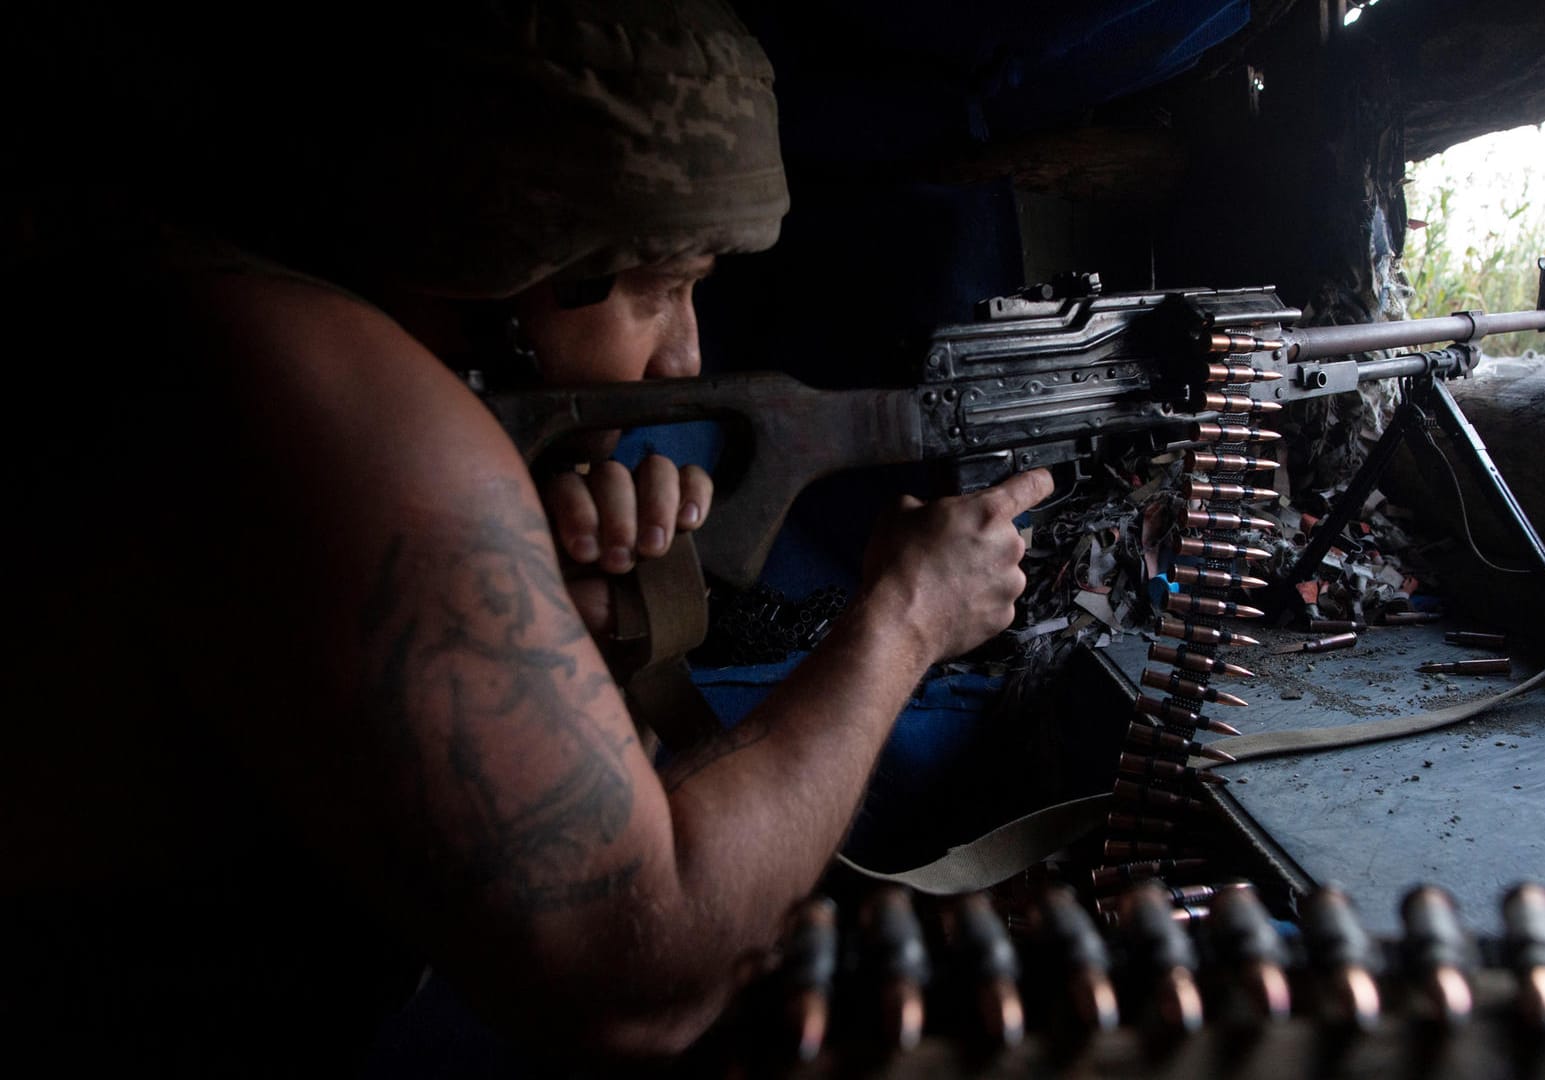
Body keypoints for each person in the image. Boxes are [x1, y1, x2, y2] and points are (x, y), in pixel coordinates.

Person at [1, 0, 1047, 1067]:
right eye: (661, 287)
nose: (682, 355)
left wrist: (566, 603)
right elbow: (641, 979)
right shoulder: (336, 400)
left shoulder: (200, 299)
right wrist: (907, 620)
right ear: (511, 256)